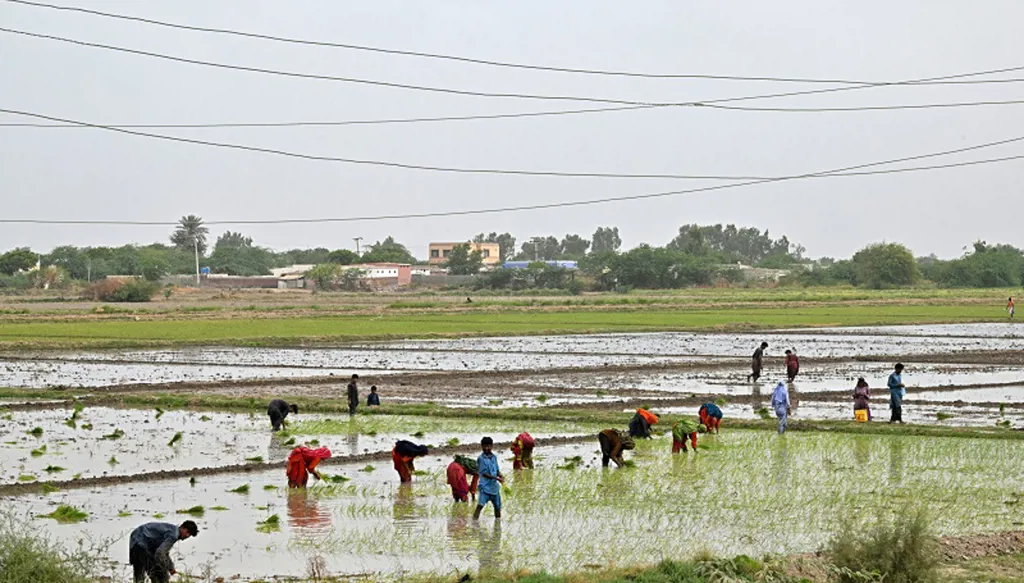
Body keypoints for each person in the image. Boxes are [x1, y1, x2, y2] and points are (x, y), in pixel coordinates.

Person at [128, 520, 198, 583]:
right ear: (182, 527)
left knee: (139, 576)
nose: (187, 535)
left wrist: (171, 568)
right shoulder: (174, 535)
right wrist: (164, 569)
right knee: (158, 575)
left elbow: (164, 552)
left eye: (190, 535)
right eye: (187, 532)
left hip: (135, 540)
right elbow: (160, 553)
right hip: (141, 543)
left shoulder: (172, 530)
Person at [473, 437, 504, 520]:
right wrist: (497, 478)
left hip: (494, 487)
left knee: (497, 507)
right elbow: (484, 473)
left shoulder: (494, 457)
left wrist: (500, 475)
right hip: (485, 487)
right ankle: (474, 522)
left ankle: (498, 525)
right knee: (480, 506)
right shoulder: (481, 459)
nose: (487, 448)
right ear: (482, 446)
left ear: (492, 446)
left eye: (489, 446)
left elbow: (497, 470)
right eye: (485, 446)